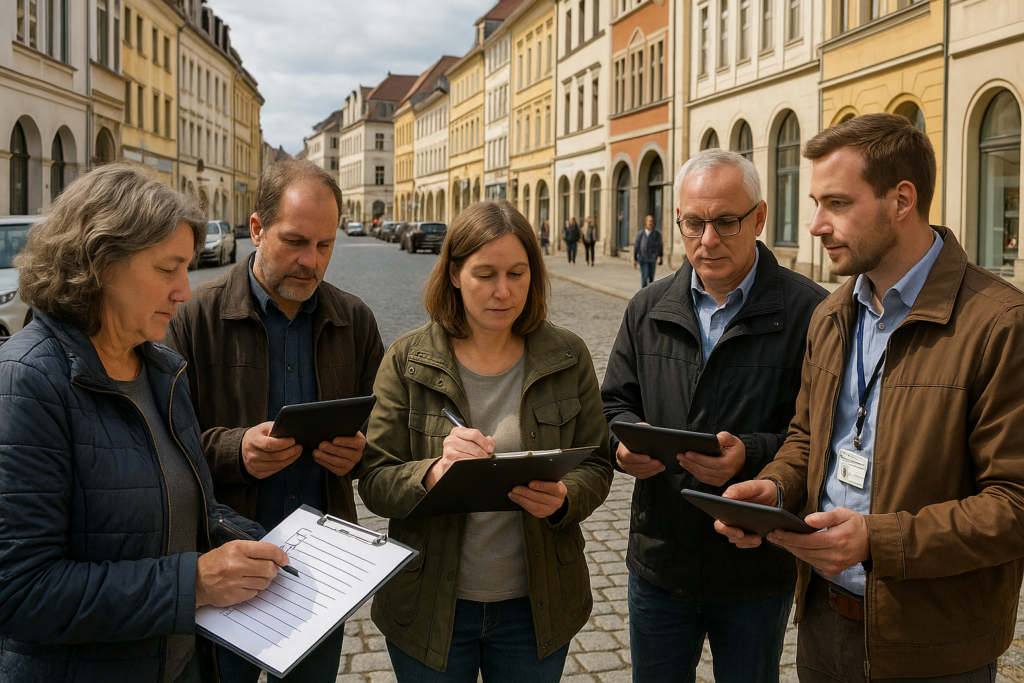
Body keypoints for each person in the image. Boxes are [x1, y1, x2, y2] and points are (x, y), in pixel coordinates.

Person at [716, 113, 1024, 681]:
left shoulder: (1000, 323)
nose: (814, 225)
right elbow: (808, 438)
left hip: (933, 644)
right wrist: (778, 486)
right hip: (822, 624)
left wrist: (876, 541)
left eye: (836, 204)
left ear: (901, 200)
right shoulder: (832, 315)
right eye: (815, 203)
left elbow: (1013, 503)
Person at [0, 164, 290, 683]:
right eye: (167, 269)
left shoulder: (158, 367)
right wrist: (193, 584)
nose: (185, 289)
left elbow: (186, 505)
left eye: (188, 268)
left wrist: (272, 547)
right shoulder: (26, 381)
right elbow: (20, 592)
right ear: (100, 263)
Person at [358, 199, 613, 681]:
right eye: (485, 274)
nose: (503, 291)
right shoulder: (407, 359)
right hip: (430, 605)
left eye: (518, 273)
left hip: (534, 610)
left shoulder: (567, 355)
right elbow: (373, 479)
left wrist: (564, 498)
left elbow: (598, 465)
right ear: (454, 274)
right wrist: (433, 472)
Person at [602, 149, 827, 683]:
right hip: (659, 559)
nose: (708, 240)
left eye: (726, 222)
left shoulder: (811, 313)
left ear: (759, 217)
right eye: (693, 223)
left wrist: (749, 453)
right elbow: (612, 404)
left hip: (754, 566)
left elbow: (821, 438)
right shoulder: (648, 306)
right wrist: (622, 448)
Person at [165, 160, 386, 683]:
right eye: (295, 241)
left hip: (321, 573)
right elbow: (159, 443)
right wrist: (234, 450)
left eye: (325, 245)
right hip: (225, 566)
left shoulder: (354, 320)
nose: (311, 261)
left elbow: (385, 434)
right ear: (257, 228)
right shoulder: (194, 318)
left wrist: (361, 453)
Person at [632, 215, 663, 287]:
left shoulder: (656, 234)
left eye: (652, 221)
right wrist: (635, 259)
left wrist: (659, 256)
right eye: (649, 221)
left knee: (651, 279)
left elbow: (659, 245)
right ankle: (643, 295)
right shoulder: (641, 234)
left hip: (652, 258)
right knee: (644, 277)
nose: (650, 223)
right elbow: (637, 245)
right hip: (643, 258)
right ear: (646, 222)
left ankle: (650, 296)